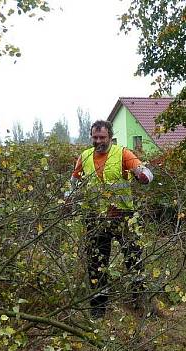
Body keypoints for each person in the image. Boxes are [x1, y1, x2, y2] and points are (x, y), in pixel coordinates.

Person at [66, 120, 154, 317]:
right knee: (96, 265)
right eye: (95, 137)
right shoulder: (85, 157)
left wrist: (143, 177)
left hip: (123, 217)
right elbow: (73, 183)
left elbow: (146, 173)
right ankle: (98, 307)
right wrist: (67, 200)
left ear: (110, 137)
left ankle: (139, 302)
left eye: (102, 138)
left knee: (134, 260)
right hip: (95, 218)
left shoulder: (122, 154)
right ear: (91, 137)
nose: (99, 141)